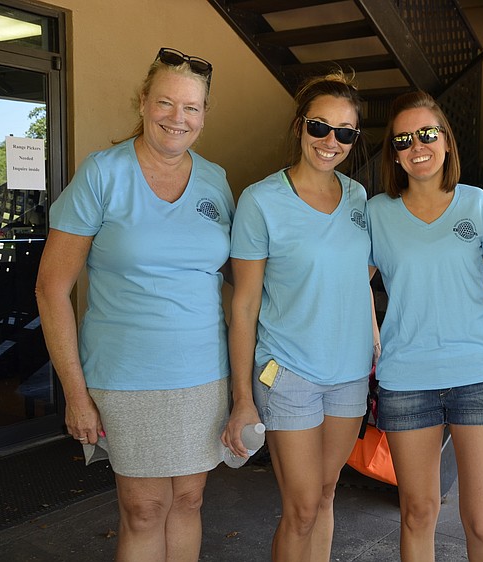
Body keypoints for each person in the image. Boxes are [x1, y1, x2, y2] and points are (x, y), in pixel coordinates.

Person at [36, 47, 232, 560]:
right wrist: (75, 394)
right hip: (125, 376)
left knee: (189, 500)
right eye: (166, 103)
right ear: (144, 102)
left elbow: (237, 276)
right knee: (144, 509)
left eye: (191, 108)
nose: (178, 118)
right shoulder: (102, 173)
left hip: (203, 373)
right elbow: (51, 288)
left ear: (205, 114)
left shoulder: (216, 180)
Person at [222, 72, 377, 562]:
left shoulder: (358, 199)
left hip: (349, 373)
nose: (331, 142)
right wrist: (242, 397)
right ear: (298, 127)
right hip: (288, 372)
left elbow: (360, 275)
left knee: (327, 493)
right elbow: (243, 305)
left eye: (346, 132)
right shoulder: (261, 200)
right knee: (303, 507)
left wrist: (371, 332)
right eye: (320, 127)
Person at [367, 91, 483, 561]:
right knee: (417, 512)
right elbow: (349, 284)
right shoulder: (377, 213)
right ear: (394, 152)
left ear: (446, 141)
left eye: (428, 133)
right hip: (407, 378)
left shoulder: (476, 204)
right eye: (403, 139)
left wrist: (462, 297)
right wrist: (371, 334)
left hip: (477, 375)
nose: (417, 146)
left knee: (482, 521)